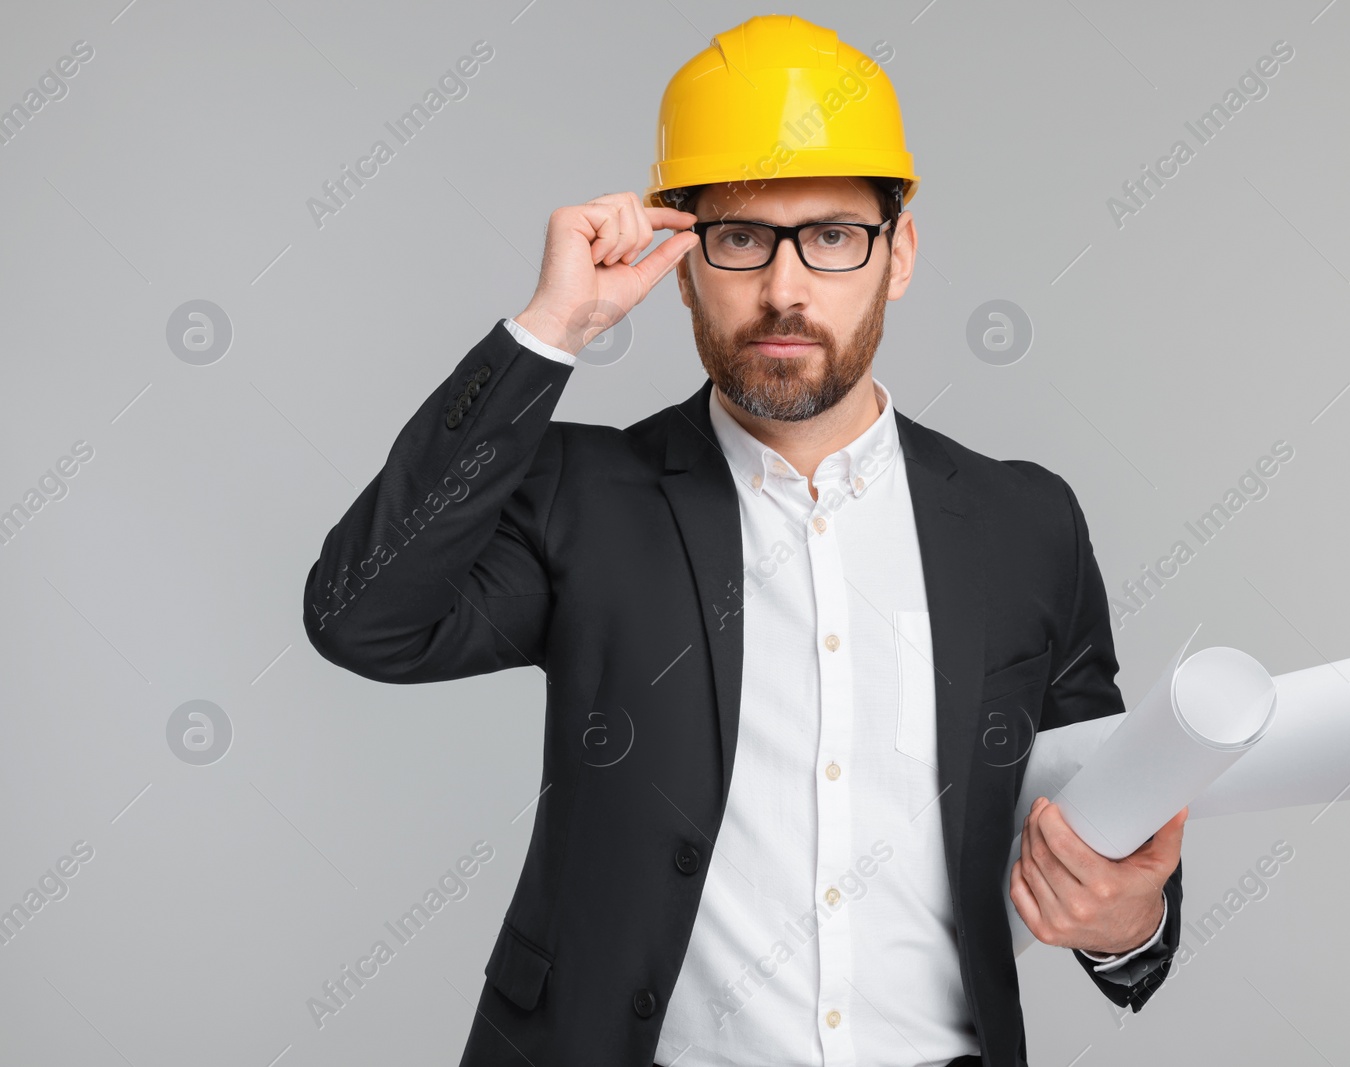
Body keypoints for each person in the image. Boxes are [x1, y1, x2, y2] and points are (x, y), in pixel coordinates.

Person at [301, 14, 1184, 1067]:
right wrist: (550, 329)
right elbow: (363, 617)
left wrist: (1131, 920)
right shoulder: (586, 493)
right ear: (680, 263)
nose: (784, 288)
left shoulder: (1023, 521)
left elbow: (1097, 803)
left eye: (831, 235)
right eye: (738, 238)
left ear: (897, 253)